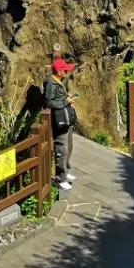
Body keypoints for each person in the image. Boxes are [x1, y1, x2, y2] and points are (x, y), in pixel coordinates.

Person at [44, 54, 77, 190]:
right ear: (59, 71)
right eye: (65, 70)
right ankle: (59, 178)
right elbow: (49, 102)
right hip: (59, 119)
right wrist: (65, 101)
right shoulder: (51, 83)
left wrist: (66, 98)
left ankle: (65, 172)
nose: (67, 72)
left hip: (66, 118)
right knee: (61, 148)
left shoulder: (58, 81)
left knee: (69, 146)